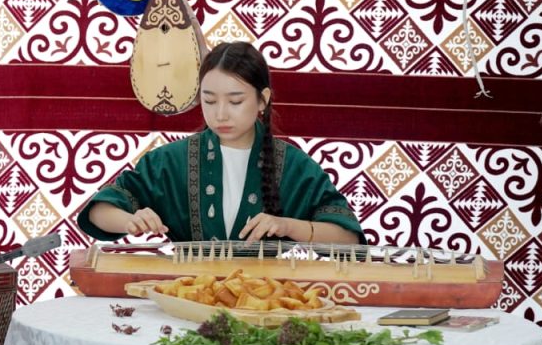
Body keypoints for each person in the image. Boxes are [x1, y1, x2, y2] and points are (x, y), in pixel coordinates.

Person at [78, 41, 364, 245]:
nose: (221, 114)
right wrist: (130, 220)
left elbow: (349, 238)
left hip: (267, 300)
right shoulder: (170, 160)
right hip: (184, 294)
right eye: (210, 100)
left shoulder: (294, 166)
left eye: (235, 101)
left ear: (262, 99)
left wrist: (288, 225)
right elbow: (99, 212)